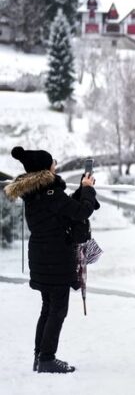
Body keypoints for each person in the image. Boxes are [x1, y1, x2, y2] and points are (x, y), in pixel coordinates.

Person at [4, 146, 99, 374]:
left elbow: (64, 208)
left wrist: (82, 189)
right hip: (55, 258)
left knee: (48, 308)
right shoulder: (51, 193)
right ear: (46, 168)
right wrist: (87, 189)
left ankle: (40, 357)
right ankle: (47, 359)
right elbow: (81, 212)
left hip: (42, 256)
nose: (55, 164)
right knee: (57, 310)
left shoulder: (35, 192)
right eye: (53, 162)